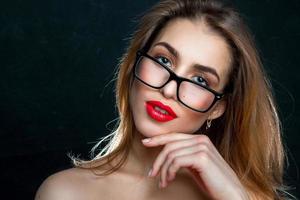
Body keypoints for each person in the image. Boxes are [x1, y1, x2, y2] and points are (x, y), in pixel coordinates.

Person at [35, 0, 292, 199]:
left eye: (200, 80)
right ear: (135, 62)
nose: (169, 90)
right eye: (163, 60)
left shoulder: (246, 197)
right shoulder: (63, 192)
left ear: (217, 107)